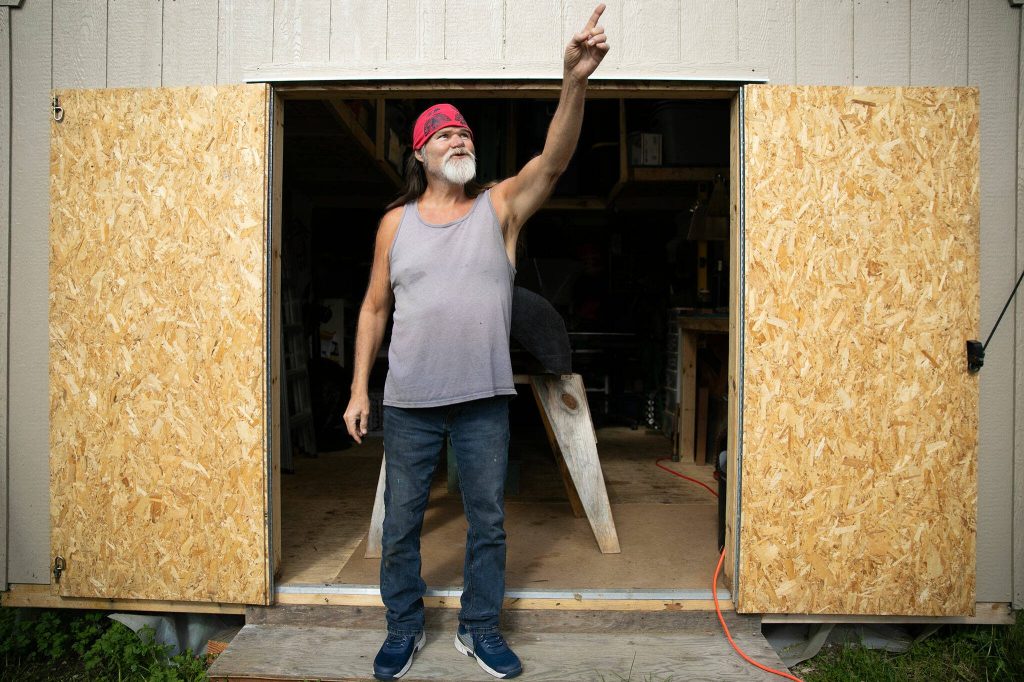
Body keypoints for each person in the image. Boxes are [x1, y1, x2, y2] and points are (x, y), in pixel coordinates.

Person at [343, 6, 609, 679]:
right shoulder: (393, 225)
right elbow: (375, 308)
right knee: (401, 526)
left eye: (465, 132)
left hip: (484, 401)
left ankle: (478, 628)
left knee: (487, 524)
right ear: (421, 153)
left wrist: (572, 82)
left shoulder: (498, 209)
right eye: (446, 134)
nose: (460, 138)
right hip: (408, 404)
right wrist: (356, 390)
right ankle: (403, 627)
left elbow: (554, 160)